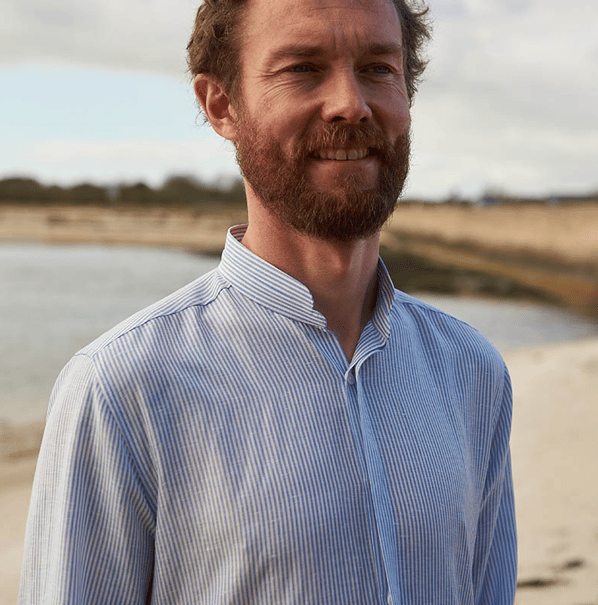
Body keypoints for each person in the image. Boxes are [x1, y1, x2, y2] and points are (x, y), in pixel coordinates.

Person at [20, 0, 517, 602]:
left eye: (377, 69)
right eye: (303, 68)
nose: (351, 104)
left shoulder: (472, 372)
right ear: (220, 105)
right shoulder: (120, 390)